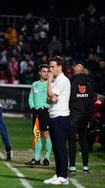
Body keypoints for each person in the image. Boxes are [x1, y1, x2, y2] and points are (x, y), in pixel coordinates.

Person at [44, 56, 71, 185]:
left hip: (61, 117)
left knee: (61, 148)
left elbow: (50, 95)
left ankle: (63, 177)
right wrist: (51, 95)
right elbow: (49, 99)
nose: (50, 69)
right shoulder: (56, 80)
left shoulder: (62, 80)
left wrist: (49, 82)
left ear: (60, 67)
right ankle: (58, 174)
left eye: (52, 66)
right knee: (56, 148)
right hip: (54, 116)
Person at [68, 64, 94, 173]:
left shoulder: (71, 85)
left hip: (73, 118)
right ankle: (85, 167)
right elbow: (91, 105)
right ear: (83, 72)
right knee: (83, 142)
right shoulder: (89, 86)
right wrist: (88, 119)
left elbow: (67, 102)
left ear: (74, 72)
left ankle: (72, 167)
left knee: (72, 142)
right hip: (84, 119)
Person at [25, 64, 52, 166]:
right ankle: (36, 159)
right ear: (40, 73)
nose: (46, 73)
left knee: (46, 134)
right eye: (44, 71)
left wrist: (45, 106)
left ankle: (46, 158)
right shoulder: (34, 84)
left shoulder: (50, 84)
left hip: (45, 112)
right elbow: (31, 97)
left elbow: (52, 98)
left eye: (47, 71)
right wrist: (32, 108)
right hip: (36, 112)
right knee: (37, 135)